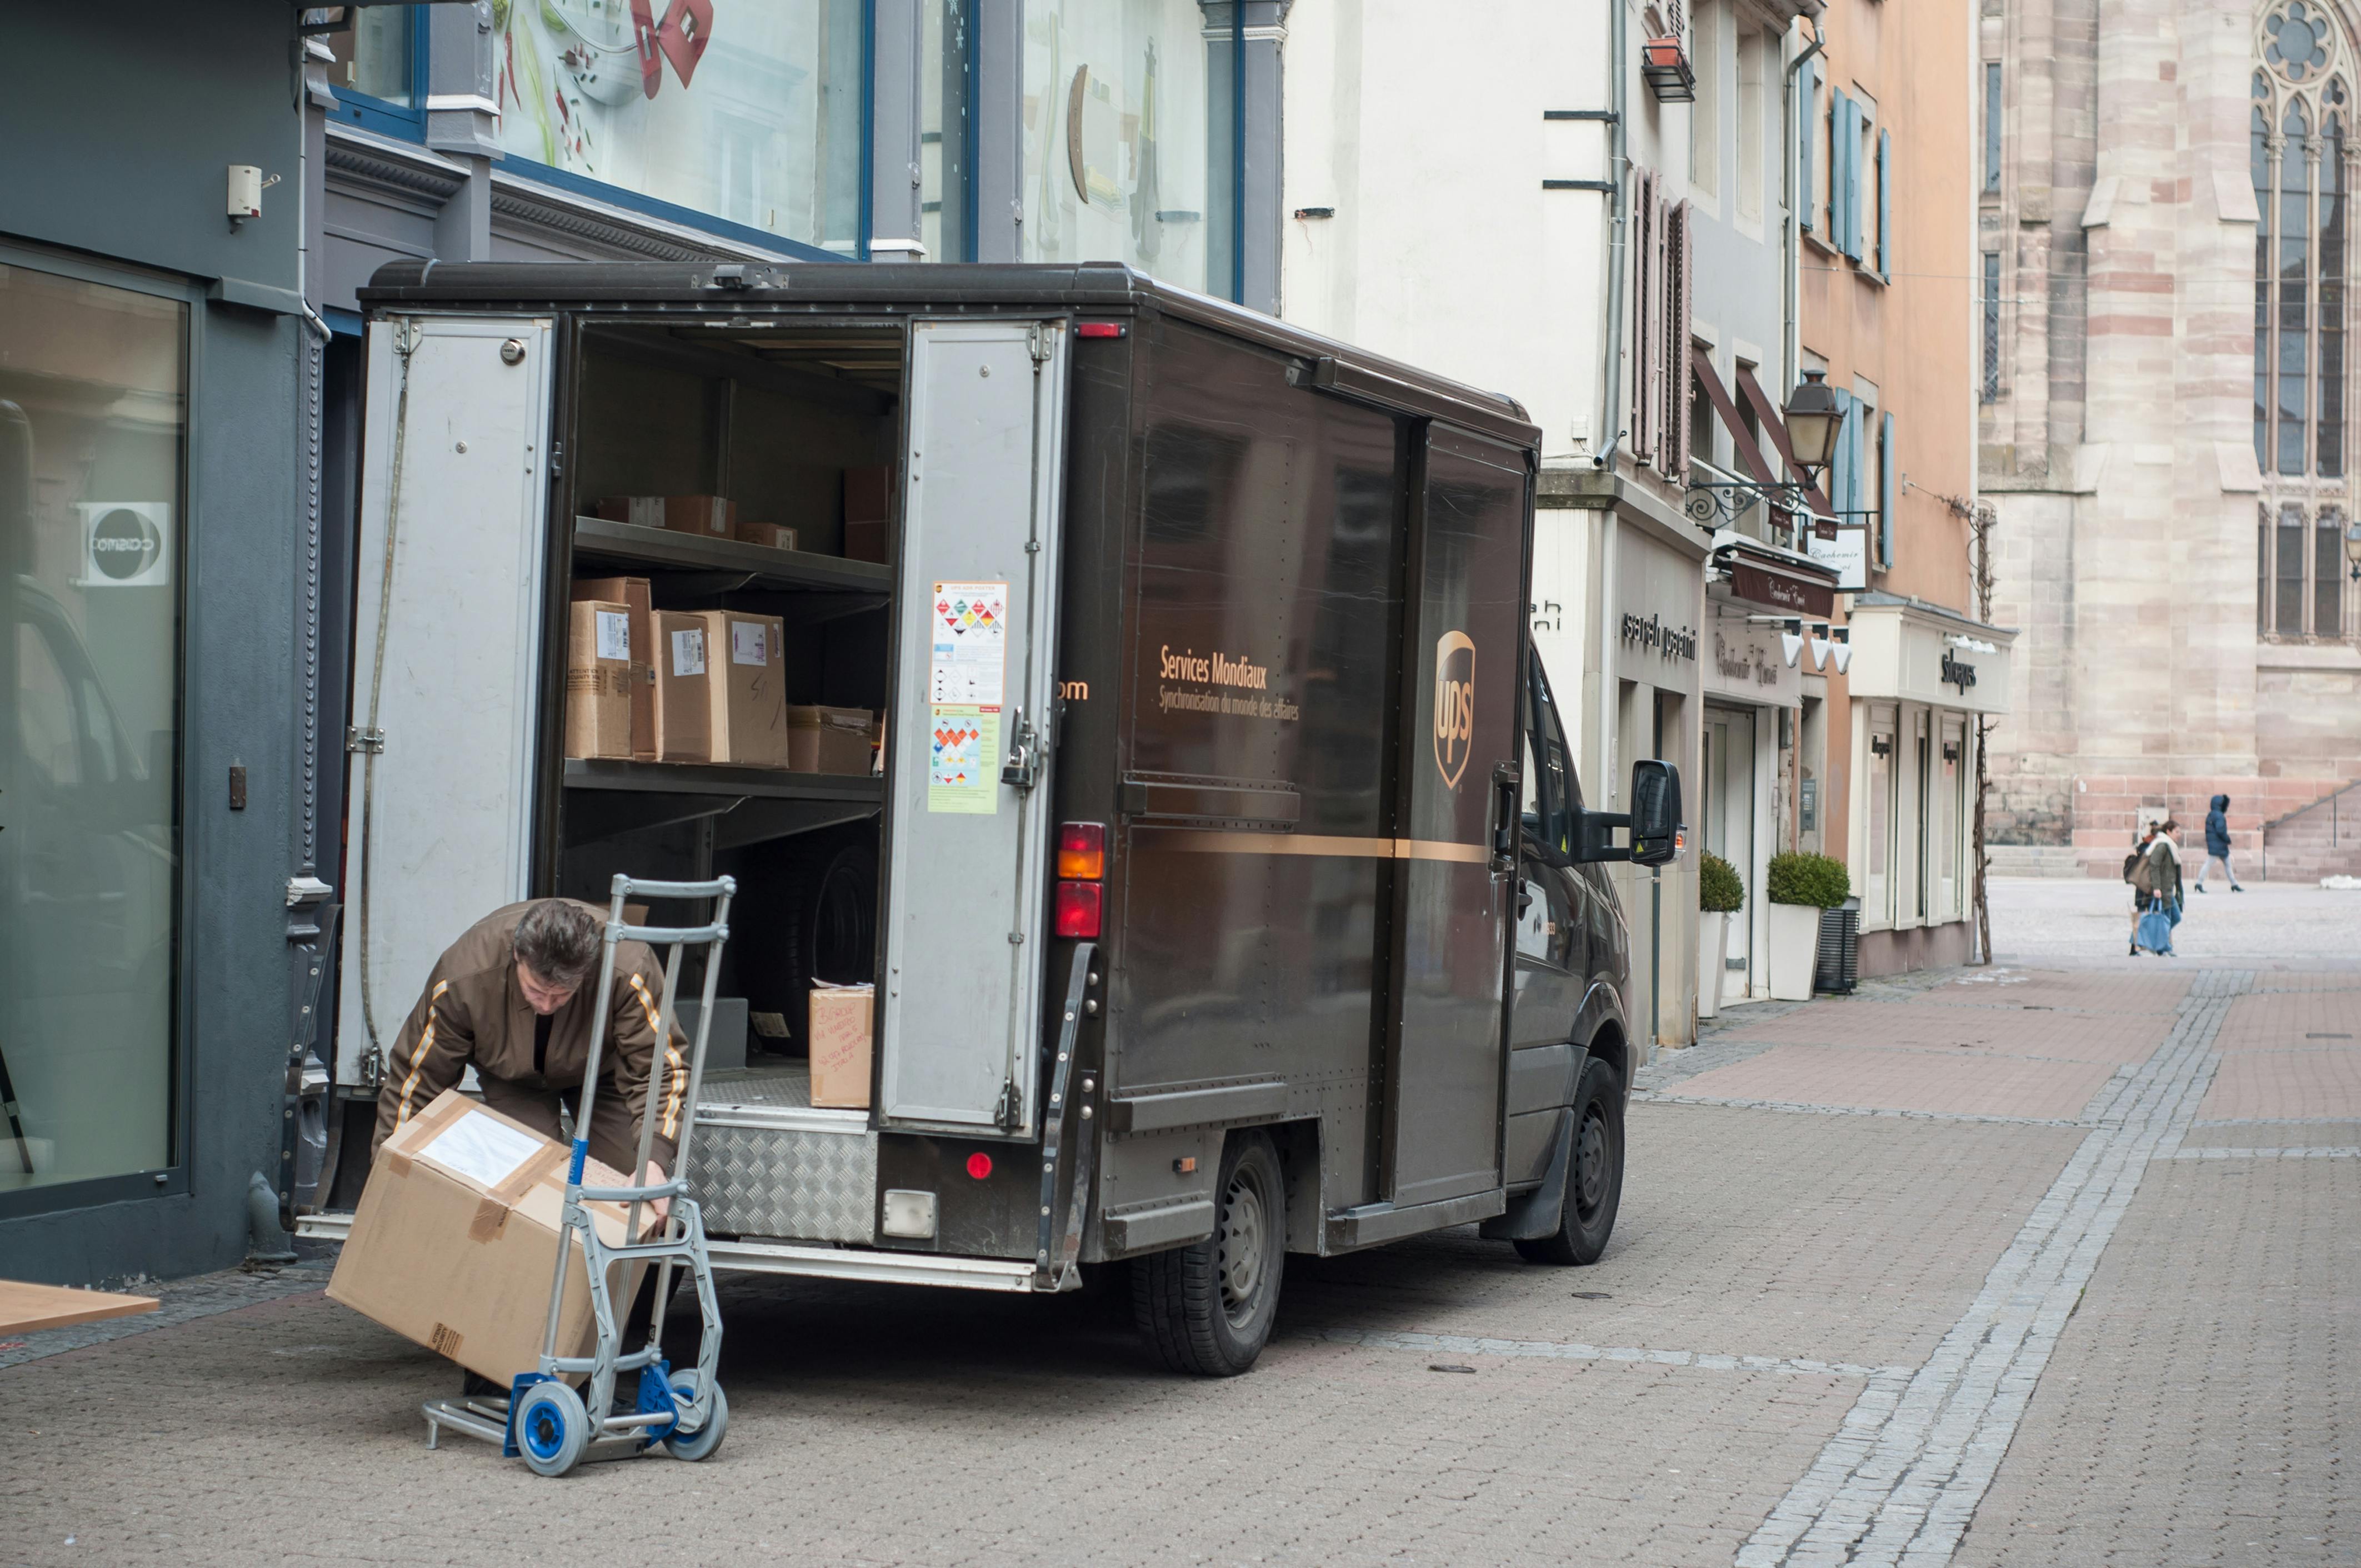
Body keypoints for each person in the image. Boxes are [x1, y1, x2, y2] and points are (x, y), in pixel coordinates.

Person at [373, 898, 687, 1208]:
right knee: (524, 1188)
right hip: (513, 1080)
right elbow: (418, 1079)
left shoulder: (628, 967)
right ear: (516, 956)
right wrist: (390, 1174)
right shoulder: (463, 976)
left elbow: (661, 1070)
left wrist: (653, 1157)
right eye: (536, 990)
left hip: (604, 1074)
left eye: (562, 994)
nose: (547, 1006)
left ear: (588, 970)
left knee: (629, 1190)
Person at [2134, 821, 2185, 956]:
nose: (2179, 835)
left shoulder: (2171, 846)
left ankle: (2160, 943)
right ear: (2168, 832)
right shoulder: (2163, 845)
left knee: (2176, 917)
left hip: (2169, 890)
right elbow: (2154, 866)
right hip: (2162, 890)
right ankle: (2163, 948)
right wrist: (2157, 888)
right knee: (2167, 919)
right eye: (2177, 832)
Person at [2193, 793, 2244, 893]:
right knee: (2211, 864)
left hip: (2217, 844)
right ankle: (2199, 883)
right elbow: (2221, 830)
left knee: (2227, 865)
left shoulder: (2212, 814)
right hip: (2219, 845)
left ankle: (2234, 884)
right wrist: (2227, 839)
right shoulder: (2219, 816)